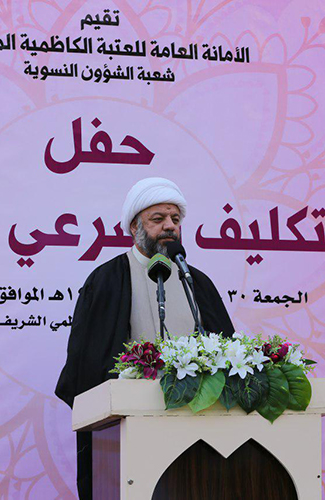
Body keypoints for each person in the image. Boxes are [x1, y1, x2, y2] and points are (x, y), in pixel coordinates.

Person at [55, 177, 235, 499]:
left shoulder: (198, 284)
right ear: (134, 227)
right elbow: (85, 369)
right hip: (127, 439)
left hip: (200, 440)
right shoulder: (106, 280)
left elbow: (229, 355)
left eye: (175, 219)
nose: (170, 226)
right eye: (158, 219)